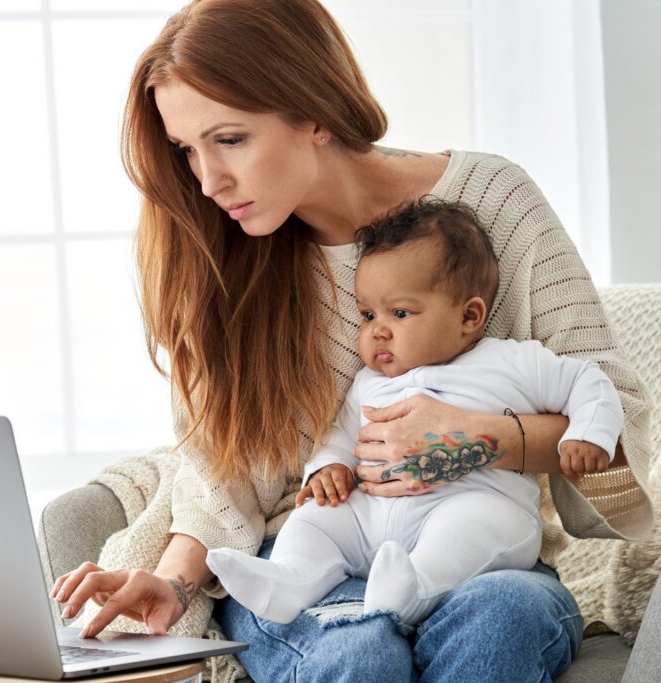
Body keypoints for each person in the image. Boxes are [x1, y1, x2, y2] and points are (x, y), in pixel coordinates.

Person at [50, 0, 653, 679]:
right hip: (309, 557)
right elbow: (223, 474)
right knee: (356, 651)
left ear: (312, 109)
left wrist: (483, 435)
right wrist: (175, 582)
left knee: (503, 619)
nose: (207, 180)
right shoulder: (226, 263)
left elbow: (619, 421)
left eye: (229, 139)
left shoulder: (495, 203)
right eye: (186, 150)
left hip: (480, 549)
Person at [206, 198, 624, 626]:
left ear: (469, 316)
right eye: (368, 314)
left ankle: (416, 587)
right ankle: (290, 580)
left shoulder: (511, 362)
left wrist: (589, 433)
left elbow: (588, 382)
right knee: (315, 516)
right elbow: (342, 433)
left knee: (473, 525)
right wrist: (329, 468)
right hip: (370, 518)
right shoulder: (370, 382)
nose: (377, 330)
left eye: (400, 312)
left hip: (468, 504)